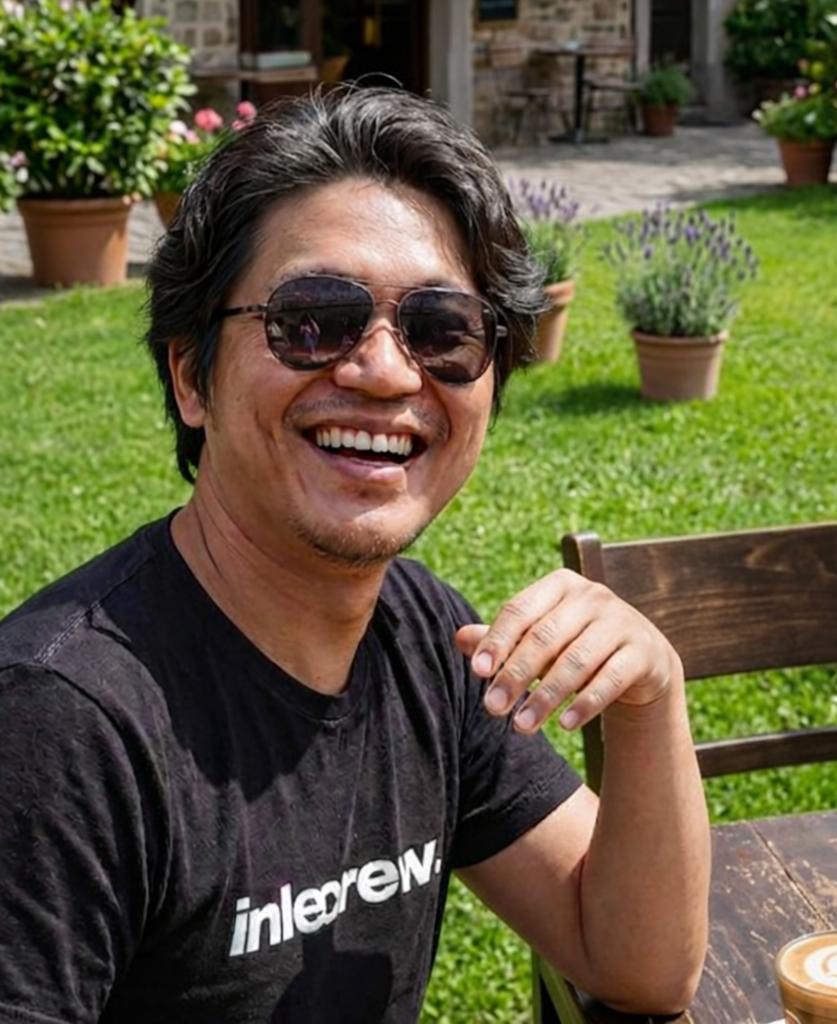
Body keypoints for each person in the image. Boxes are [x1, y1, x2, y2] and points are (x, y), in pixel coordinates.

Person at [0, 84, 710, 1024]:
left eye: (442, 330)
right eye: (313, 320)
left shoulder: (423, 638)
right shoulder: (57, 729)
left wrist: (653, 702)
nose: (384, 371)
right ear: (192, 375)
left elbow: (636, 963)